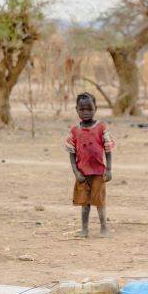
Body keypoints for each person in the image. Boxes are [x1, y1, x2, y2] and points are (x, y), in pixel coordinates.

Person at [66, 92, 114, 238]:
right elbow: (71, 152)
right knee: (84, 202)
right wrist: (75, 171)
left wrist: (109, 169)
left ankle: (104, 228)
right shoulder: (74, 131)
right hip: (82, 172)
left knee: (99, 201)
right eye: (82, 109)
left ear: (95, 109)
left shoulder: (101, 128)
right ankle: (84, 229)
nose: (86, 112)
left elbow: (108, 149)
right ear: (76, 110)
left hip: (99, 172)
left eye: (89, 109)